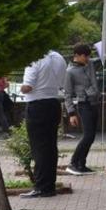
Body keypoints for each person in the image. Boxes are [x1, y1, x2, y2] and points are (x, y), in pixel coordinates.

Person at [20, 50, 66, 199]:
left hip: (37, 104)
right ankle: (49, 185)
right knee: (51, 147)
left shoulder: (34, 59)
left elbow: (28, 86)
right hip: (54, 103)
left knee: (39, 148)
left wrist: (20, 88)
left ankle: (41, 187)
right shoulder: (59, 57)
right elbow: (62, 82)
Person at [64, 44, 100, 175]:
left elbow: (100, 59)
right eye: (84, 56)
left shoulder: (89, 64)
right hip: (83, 104)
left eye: (88, 56)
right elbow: (67, 94)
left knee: (91, 137)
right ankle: (73, 163)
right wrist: (71, 113)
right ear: (76, 56)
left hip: (94, 102)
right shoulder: (70, 72)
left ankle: (81, 164)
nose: (87, 58)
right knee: (87, 135)